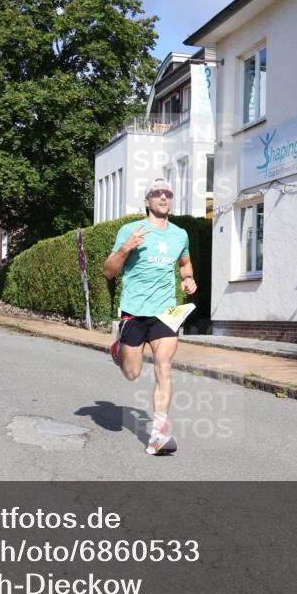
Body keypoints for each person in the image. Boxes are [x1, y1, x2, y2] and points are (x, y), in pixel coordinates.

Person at [103, 178, 196, 455]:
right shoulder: (130, 230)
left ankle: (158, 434)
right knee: (132, 373)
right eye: (157, 193)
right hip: (134, 311)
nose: (163, 197)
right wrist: (125, 249)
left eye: (168, 193)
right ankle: (119, 349)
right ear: (147, 201)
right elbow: (109, 271)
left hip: (165, 312)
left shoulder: (180, 235)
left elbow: (185, 264)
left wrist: (188, 279)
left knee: (163, 365)